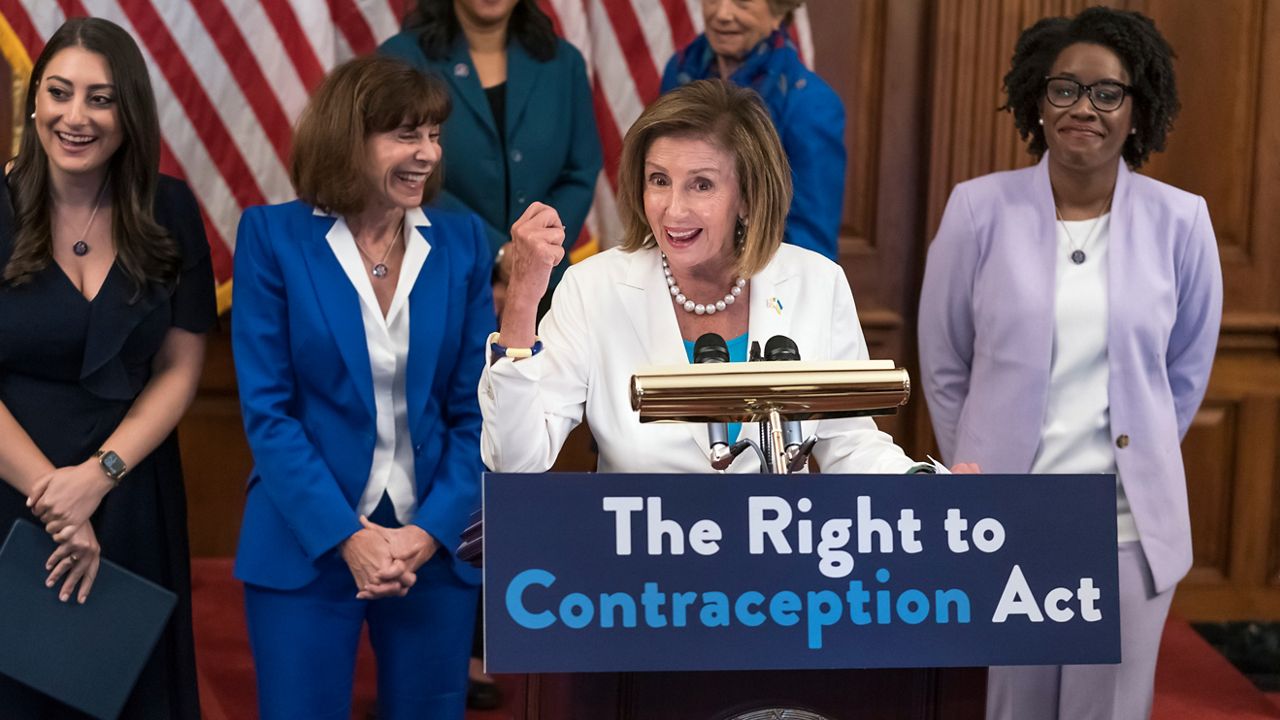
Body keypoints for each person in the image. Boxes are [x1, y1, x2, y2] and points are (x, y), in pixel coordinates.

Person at [917, 7, 1222, 719]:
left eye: (1107, 93)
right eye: (1065, 89)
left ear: (1137, 112)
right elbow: (943, 365)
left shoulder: (1184, 221)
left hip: (1126, 528)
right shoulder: (976, 211)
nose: (1084, 108)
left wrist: (1142, 452)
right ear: (1036, 101)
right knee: (1009, 703)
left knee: (1108, 708)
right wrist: (979, 476)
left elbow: (1185, 372)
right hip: (1008, 517)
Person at [481, 79, 959, 478]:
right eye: (659, 180)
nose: (673, 209)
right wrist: (522, 298)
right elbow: (516, 460)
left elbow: (849, 445)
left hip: (776, 566)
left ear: (748, 196)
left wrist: (923, 485)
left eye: (702, 184)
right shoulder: (594, 287)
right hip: (636, 572)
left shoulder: (816, 282)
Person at [231, 55, 492, 719]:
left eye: (434, 134)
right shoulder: (272, 237)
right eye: (406, 136)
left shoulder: (462, 243)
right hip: (306, 540)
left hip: (433, 546)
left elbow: (476, 413)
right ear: (348, 138)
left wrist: (430, 531)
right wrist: (348, 537)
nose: (428, 154)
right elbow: (270, 413)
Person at [0, 17, 214, 718]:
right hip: (13, 489)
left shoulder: (171, 207)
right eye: (59, 93)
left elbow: (181, 365)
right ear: (34, 104)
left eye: (100, 98)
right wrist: (56, 503)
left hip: (130, 491)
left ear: (130, 112)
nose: (75, 116)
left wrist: (99, 478)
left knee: (130, 693)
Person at [380, 0, 602, 314]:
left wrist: (535, 252)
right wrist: (499, 253)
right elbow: (404, 171)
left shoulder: (563, 62)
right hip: (442, 278)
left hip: (547, 286)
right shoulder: (402, 58)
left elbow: (580, 171)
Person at [661, 0, 843, 262]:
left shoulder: (811, 104)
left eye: (742, 2)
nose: (722, 14)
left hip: (756, 278)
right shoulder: (678, 72)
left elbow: (810, 246)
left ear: (778, 12)